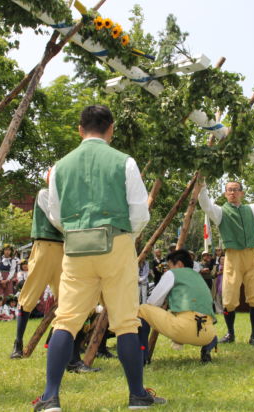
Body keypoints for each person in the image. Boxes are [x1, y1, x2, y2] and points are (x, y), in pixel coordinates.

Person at [35, 105, 164, 411]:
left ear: (80, 129)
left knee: (66, 319)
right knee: (125, 322)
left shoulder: (60, 166)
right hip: (116, 242)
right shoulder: (125, 162)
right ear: (111, 128)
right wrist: (125, 237)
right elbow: (139, 212)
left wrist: (77, 230)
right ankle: (137, 396)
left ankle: (50, 397)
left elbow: (54, 213)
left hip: (77, 246)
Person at [198, 180, 254, 345]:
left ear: (242, 192)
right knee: (229, 296)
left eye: (235, 190)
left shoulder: (251, 210)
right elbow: (205, 204)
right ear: (225, 194)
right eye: (229, 190)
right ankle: (230, 334)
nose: (232, 193)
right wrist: (203, 185)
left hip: (252, 256)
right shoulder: (220, 212)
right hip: (233, 257)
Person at [9, 187, 64, 359]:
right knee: (29, 296)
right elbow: (56, 220)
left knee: (66, 298)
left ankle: (53, 340)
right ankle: (18, 343)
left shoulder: (64, 197)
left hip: (63, 249)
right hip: (44, 247)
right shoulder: (44, 193)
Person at [138, 249, 218, 363]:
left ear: (179, 264)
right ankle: (206, 349)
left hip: (183, 330)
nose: (168, 269)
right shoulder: (199, 277)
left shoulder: (172, 274)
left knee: (142, 309)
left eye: (170, 266)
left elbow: (153, 302)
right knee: (208, 330)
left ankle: (142, 356)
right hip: (207, 334)